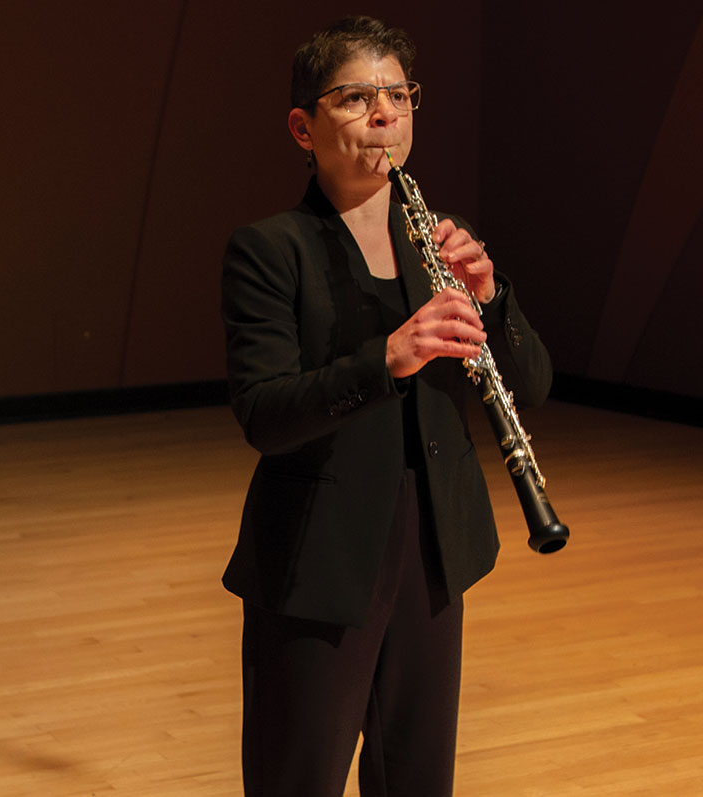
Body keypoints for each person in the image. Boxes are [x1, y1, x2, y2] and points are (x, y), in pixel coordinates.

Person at [220, 15, 552, 796]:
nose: (385, 114)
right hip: (319, 556)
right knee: (296, 775)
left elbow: (531, 385)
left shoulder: (445, 240)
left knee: (417, 778)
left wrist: (494, 298)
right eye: (357, 97)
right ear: (303, 127)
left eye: (399, 95)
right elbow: (266, 415)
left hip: (432, 546)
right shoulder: (271, 251)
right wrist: (390, 358)